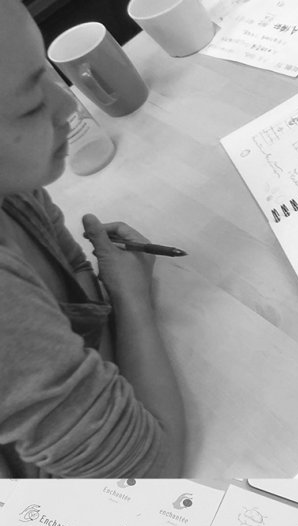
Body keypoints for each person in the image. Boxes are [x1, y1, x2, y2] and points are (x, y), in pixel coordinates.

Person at [0, 0, 185, 477]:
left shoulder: (13, 186)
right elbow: (146, 475)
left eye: (45, 73)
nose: (68, 104)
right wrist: (132, 299)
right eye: (30, 105)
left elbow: (81, 299)